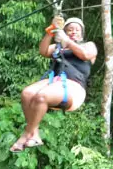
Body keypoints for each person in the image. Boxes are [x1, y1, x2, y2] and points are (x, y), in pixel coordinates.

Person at [9, 17, 96, 152]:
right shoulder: (58, 47)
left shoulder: (88, 45)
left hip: (74, 87)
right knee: (27, 94)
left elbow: (85, 55)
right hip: (54, 81)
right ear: (64, 32)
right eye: (69, 30)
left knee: (42, 96)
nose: (73, 32)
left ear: (82, 33)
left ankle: (26, 134)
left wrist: (67, 41)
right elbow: (43, 51)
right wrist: (51, 30)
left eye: (77, 30)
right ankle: (35, 133)